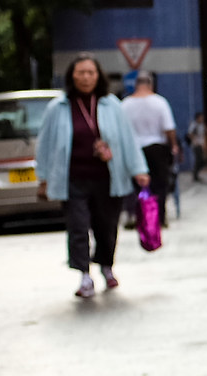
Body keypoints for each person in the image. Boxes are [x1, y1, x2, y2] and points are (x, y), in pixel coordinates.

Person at [35, 55, 150, 299]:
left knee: (106, 227)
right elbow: (45, 144)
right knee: (77, 227)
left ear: (98, 76)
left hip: (107, 178)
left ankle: (106, 267)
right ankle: (84, 275)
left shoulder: (111, 105)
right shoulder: (59, 107)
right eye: (80, 73)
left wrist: (139, 169)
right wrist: (43, 177)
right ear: (72, 76)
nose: (86, 77)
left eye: (90, 72)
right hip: (73, 179)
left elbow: (128, 139)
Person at [121, 70, 179, 223]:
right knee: (160, 185)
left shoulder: (125, 104)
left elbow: (121, 130)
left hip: (134, 149)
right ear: (151, 84)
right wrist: (173, 145)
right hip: (157, 148)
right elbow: (169, 128)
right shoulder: (160, 102)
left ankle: (135, 215)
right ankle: (159, 217)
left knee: (135, 185)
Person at [186, 111, 207, 181]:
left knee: (203, 161)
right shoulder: (194, 125)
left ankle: (196, 174)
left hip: (201, 145)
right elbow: (189, 134)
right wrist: (195, 140)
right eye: (201, 117)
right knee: (199, 160)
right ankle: (195, 176)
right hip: (196, 145)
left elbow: (203, 135)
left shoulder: (202, 125)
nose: (202, 119)